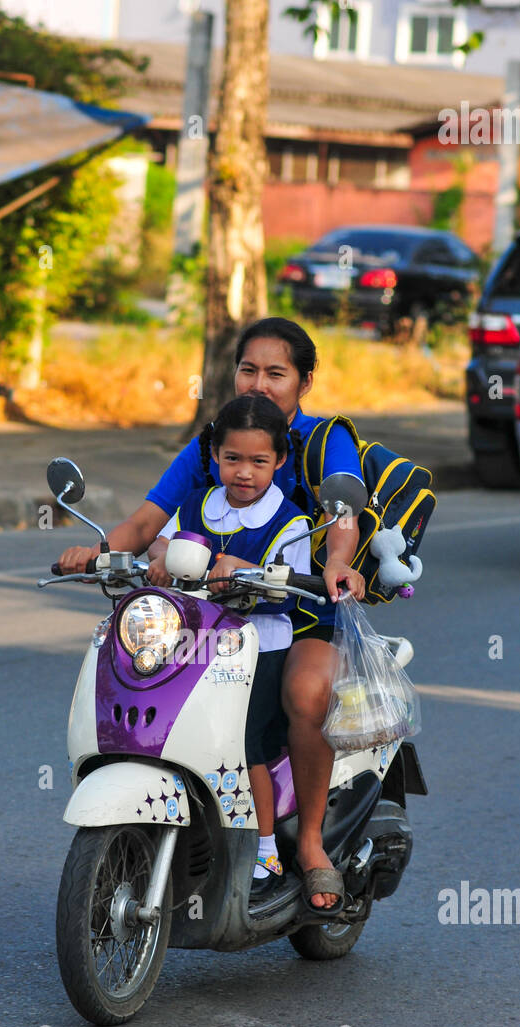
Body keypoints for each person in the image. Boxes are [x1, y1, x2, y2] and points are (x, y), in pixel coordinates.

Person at [58, 318, 367, 913]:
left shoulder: (323, 440)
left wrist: (335, 565)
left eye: (276, 373)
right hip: (215, 617)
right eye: (248, 369)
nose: (259, 383)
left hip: (295, 610)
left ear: (304, 380)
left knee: (304, 696)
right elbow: (150, 520)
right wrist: (101, 553)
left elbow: (341, 517)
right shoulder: (218, 440)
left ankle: (305, 845)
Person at [152, 394, 311, 900]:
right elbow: (163, 540)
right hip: (195, 640)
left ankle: (265, 849)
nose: (245, 473)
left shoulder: (289, 521)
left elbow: (288, 584)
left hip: (258, 646)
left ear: (279, 462)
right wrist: (160, 556)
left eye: (259, 461)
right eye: (233, 459)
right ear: (215, 455)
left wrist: (234, 567)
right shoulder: (198, 503)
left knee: (244, 743)